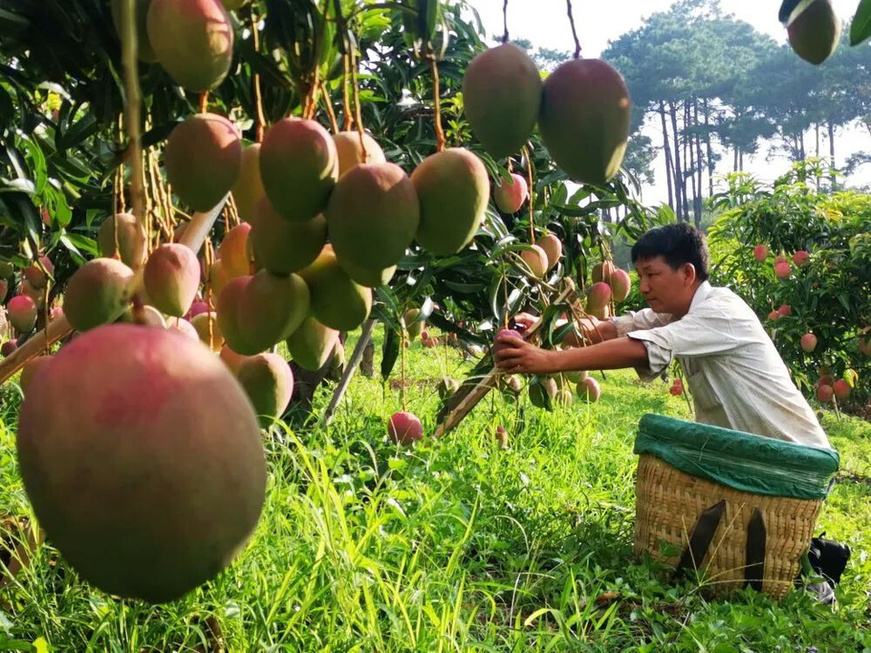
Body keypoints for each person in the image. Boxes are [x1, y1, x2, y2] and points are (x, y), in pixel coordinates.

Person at [495, 222, 832, 451]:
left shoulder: (721, 311)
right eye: (639, 275)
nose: (642, 287)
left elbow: (642, 348)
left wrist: (549, 361)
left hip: (796, 457)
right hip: (749, 457)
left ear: (687, 273)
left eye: (651, 275)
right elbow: (609, 329)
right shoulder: (675, 311)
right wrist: (544, 324)